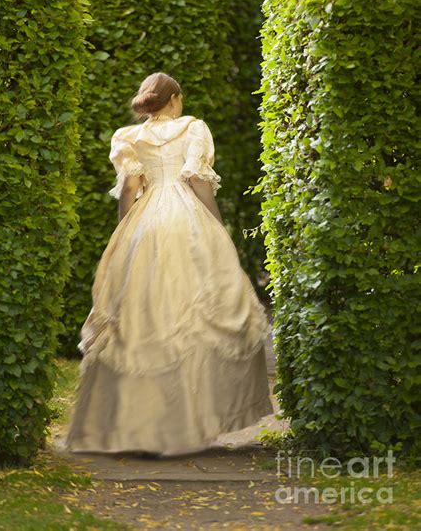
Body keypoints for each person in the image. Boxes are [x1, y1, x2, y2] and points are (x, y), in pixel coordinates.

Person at [62, 72, 273, 457]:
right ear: (174, 98)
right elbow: (198, 182)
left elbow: (128, 189)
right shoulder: (194, 128)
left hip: (146, 222)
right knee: (196, 313)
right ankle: (187, 423)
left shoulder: (127, 137)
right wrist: (217, 227)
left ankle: (137, 424)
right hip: (187, 219)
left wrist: (125, 233)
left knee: (143, 318)